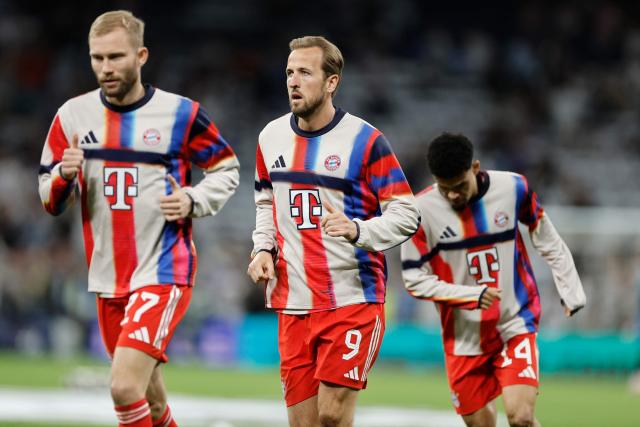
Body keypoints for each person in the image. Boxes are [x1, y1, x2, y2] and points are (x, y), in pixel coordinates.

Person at [38, 10, 240, 427]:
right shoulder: (72, 116)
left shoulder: (181, 114)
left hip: (164, 268)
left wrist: (193, 199)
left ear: (141, 55)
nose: (106, 68)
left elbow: (226, 167)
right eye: (97, 58)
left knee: (123, 387)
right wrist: (64, 176)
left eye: (116, 57)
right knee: (150, 402)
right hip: (108, 276)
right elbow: (48, 196)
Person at [247, 36, 420, 427]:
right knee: (304, 423)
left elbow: (407, 213)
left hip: (351, 300)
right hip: (292, 302)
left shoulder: (366, 141)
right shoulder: (269, 137)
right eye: (290, 72)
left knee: (331, 416)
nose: (293, 81)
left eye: (305, 73)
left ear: (331, 82)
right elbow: (264, 203)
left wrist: (358, 229)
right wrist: (262, 249)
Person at [401, 133, 586, 427]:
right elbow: (413, 278)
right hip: (464, 337)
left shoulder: (513, 188)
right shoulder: (421, 212)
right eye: (444, 188)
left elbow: (546, 237)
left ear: (475, 167)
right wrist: (467, 294)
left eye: (459, 186)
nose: (452, 196)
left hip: (514, 322)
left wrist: (571, 290)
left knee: (521, 418)